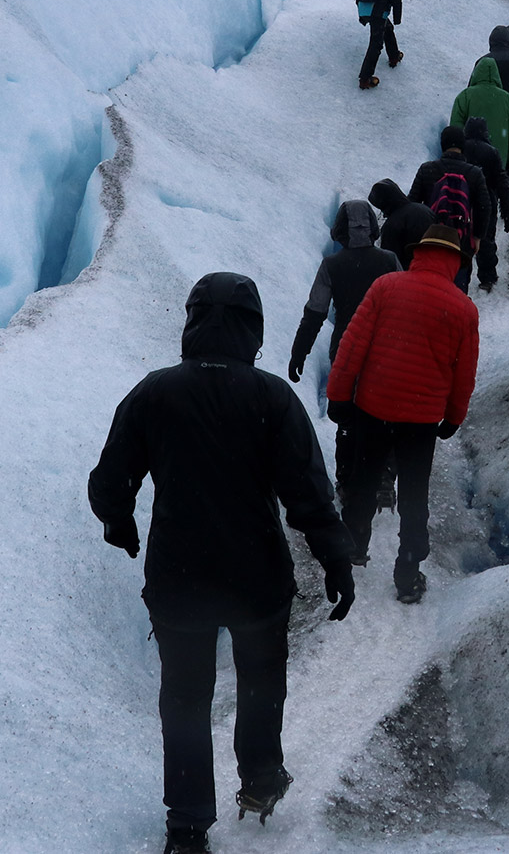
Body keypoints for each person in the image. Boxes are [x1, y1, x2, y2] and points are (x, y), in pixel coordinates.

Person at [90, 273, 358, 854]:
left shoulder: (156, 393)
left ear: (191, 323)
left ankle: (187, 827)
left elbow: (112, 477)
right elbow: (309, 492)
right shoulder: (271, 398)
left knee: (184, 699)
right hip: (255, 578)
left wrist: (119, 520)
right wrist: (335, 558)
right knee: (262, 681)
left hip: (179, 578)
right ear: (253, 330)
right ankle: (260, 783)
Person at [325, 225, 480, 604]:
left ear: (419, 253)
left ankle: (355, 547)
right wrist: (454, 417)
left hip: (373, 407)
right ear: (454, 262)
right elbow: (465, 372)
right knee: (414, 494)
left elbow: (352, 344)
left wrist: (338, 394)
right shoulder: (463, 309)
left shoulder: (386, 287)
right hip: (421, 420)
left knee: (363, 480)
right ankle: (407, 574)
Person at [289, 201, 401, 382]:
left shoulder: (331, 265)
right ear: (372, 225)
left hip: (345, 348)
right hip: (385, 348)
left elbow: (314, 313)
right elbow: (405, 306)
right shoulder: (389, 260)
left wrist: (299, 353)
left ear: (340, 228)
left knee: (343, 405)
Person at [410, 126, 494, 292]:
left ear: (442, 145)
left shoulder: (427, 169)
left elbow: (412, 203)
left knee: (429, 289)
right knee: (456, 292)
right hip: (460, 243)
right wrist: (477, 237)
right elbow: (485, 207)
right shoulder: (474, 173)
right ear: (463, 146)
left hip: (431, 240)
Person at [449, 55, 509, 172]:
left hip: (468, 164)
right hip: (498, 164)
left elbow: (455, 128)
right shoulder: (506, 99)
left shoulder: (465, 96)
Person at [460, 117, 509, 291]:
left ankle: (460, 277)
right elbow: (502, 183)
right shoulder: (491, 152)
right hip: (485, 200)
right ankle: (487, 277)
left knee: (461, 238)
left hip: (462, 199)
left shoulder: (460, 149)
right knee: (486, 238)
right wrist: (507, 210)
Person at [356, 0, 405, 90]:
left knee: (387, 28)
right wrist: (397, 17)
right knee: (376, 44)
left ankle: (394, 55)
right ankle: (365, 79)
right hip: (378, 11)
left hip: (365, 8)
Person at [369, 179, 434, 271]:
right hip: (435, 269)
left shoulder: (391, 225)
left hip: (410, 276)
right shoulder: (425, 210)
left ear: (383, 203)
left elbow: (390, 262)